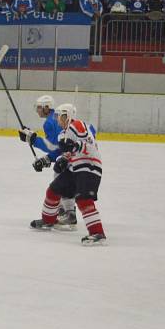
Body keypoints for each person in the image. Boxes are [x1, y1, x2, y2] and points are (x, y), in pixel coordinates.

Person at [29, 104, 106, 245]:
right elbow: (66, 153)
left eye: (60, 116)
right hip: (74, 168)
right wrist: (62, 160)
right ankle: (48, 221)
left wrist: (75, 146)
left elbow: (88, 144)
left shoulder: (78, 125)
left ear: (67, 115)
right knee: (53, 190)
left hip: (89, 165)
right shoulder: (62, 134)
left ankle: (97, 233)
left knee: (83, 199)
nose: (57, 119)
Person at [19, 95, 77, 226]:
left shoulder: (49, 122)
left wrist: (33, 139)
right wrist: (47, 158)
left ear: (47, 107)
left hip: (67, 158)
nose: (37, 110)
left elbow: (52, 146)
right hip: (67, 156)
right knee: (61, 182)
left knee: (59, 184)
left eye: (39, 107)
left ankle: (68, 213)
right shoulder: (54, 118)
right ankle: (64, 211)